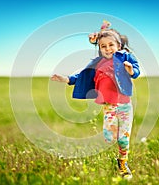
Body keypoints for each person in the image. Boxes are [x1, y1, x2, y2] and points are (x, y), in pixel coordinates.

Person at [51, 20, 140, 180]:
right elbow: (81, 74)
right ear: (99, 49)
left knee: (123, 139)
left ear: (118, 45)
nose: (107, 49)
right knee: (109, 137)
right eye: (103, 46)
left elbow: (136, 69)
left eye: (111, 45)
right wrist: (66, 79)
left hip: (125, 105)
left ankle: (122, 163)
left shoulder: (124, 57)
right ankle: (117, 153)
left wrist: (131, 70)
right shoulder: (98, 63)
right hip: (109, 106)